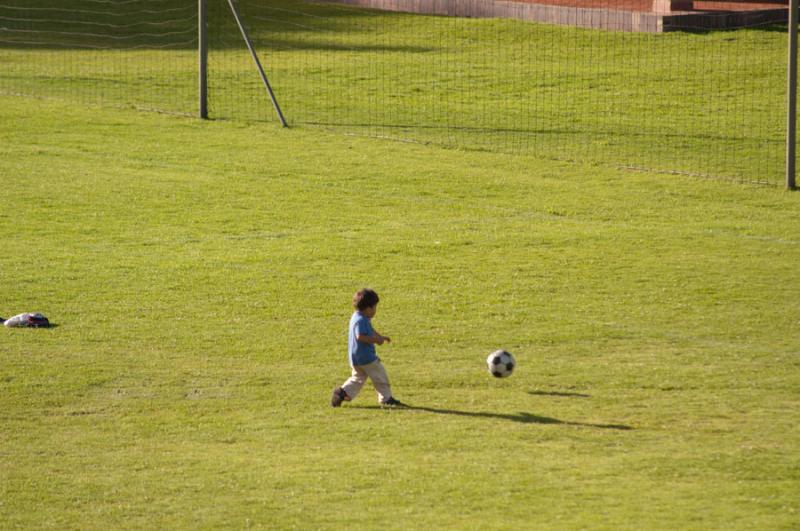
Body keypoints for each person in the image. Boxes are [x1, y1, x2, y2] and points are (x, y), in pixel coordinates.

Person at [331, 288, 405, 408]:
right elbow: (360, 336)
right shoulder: (361, 321)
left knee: (358, 378)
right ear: (368, 308)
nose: (375, 310)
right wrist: (376, 340)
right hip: (367, 358)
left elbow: (370, 331)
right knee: (380, 376)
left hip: (355, 358)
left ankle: (342, 392)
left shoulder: (357, 316)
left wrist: (380, 337)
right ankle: (386, 399)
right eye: (375, 307)